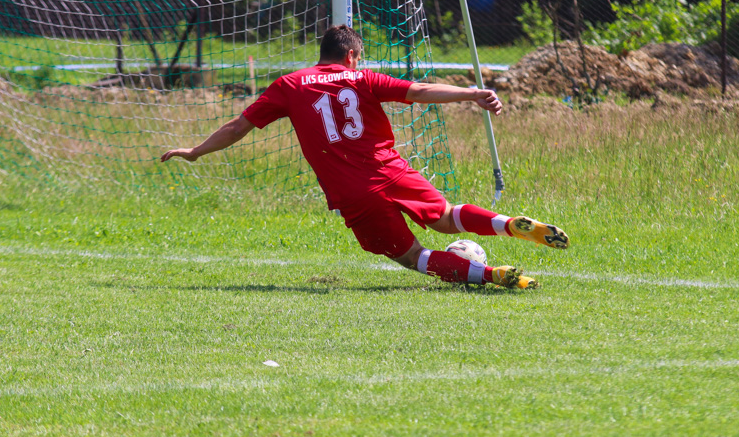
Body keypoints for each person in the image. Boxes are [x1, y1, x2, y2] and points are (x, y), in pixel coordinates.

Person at [161, 25, 569, 288]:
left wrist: (197, 151)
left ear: (323, 53)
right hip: (392, 169)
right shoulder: (363, 77)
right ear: (352, 56)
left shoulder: (290, 84)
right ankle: (507, 224)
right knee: (446, 216)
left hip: (354, 193)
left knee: (412, 256)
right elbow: (420, 92)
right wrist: (472, 94)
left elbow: (238, 126)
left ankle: (492, 276)